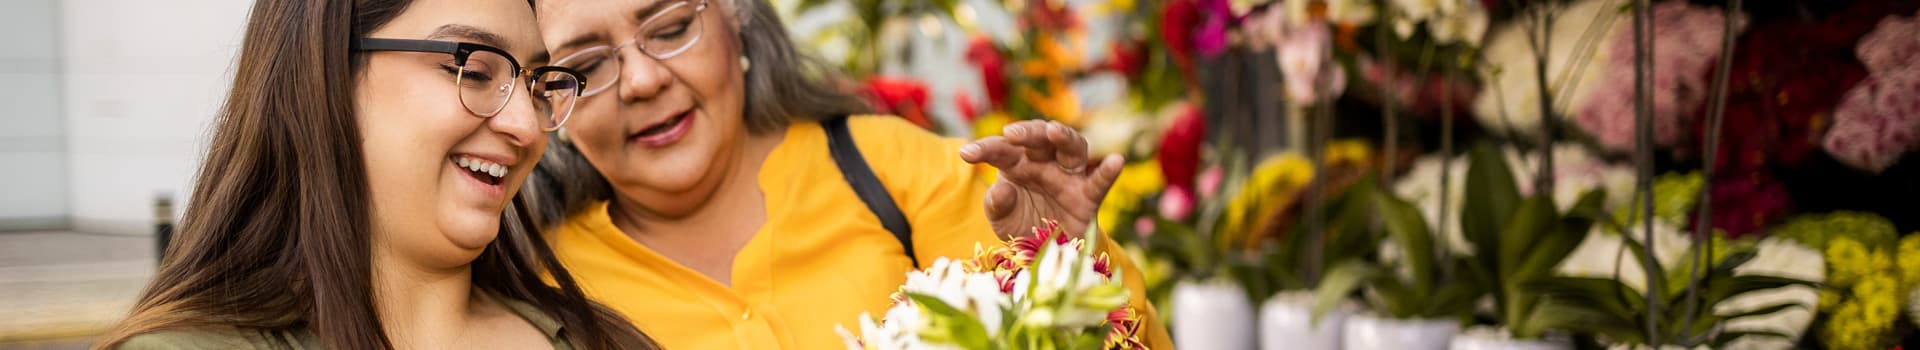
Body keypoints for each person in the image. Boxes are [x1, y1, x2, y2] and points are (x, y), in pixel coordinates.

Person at [524, 0, 1172, 348]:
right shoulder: (542, 290)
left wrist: (1064, 263)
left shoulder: (899, 172)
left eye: (669, 29)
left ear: (735, 17)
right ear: (544, 98)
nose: (642, 80)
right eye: (585, 68)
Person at [95, 0, 659, 348]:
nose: (527, 127)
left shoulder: (608, 341)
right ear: (327, 75)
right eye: (475, 68)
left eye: (538, 84)